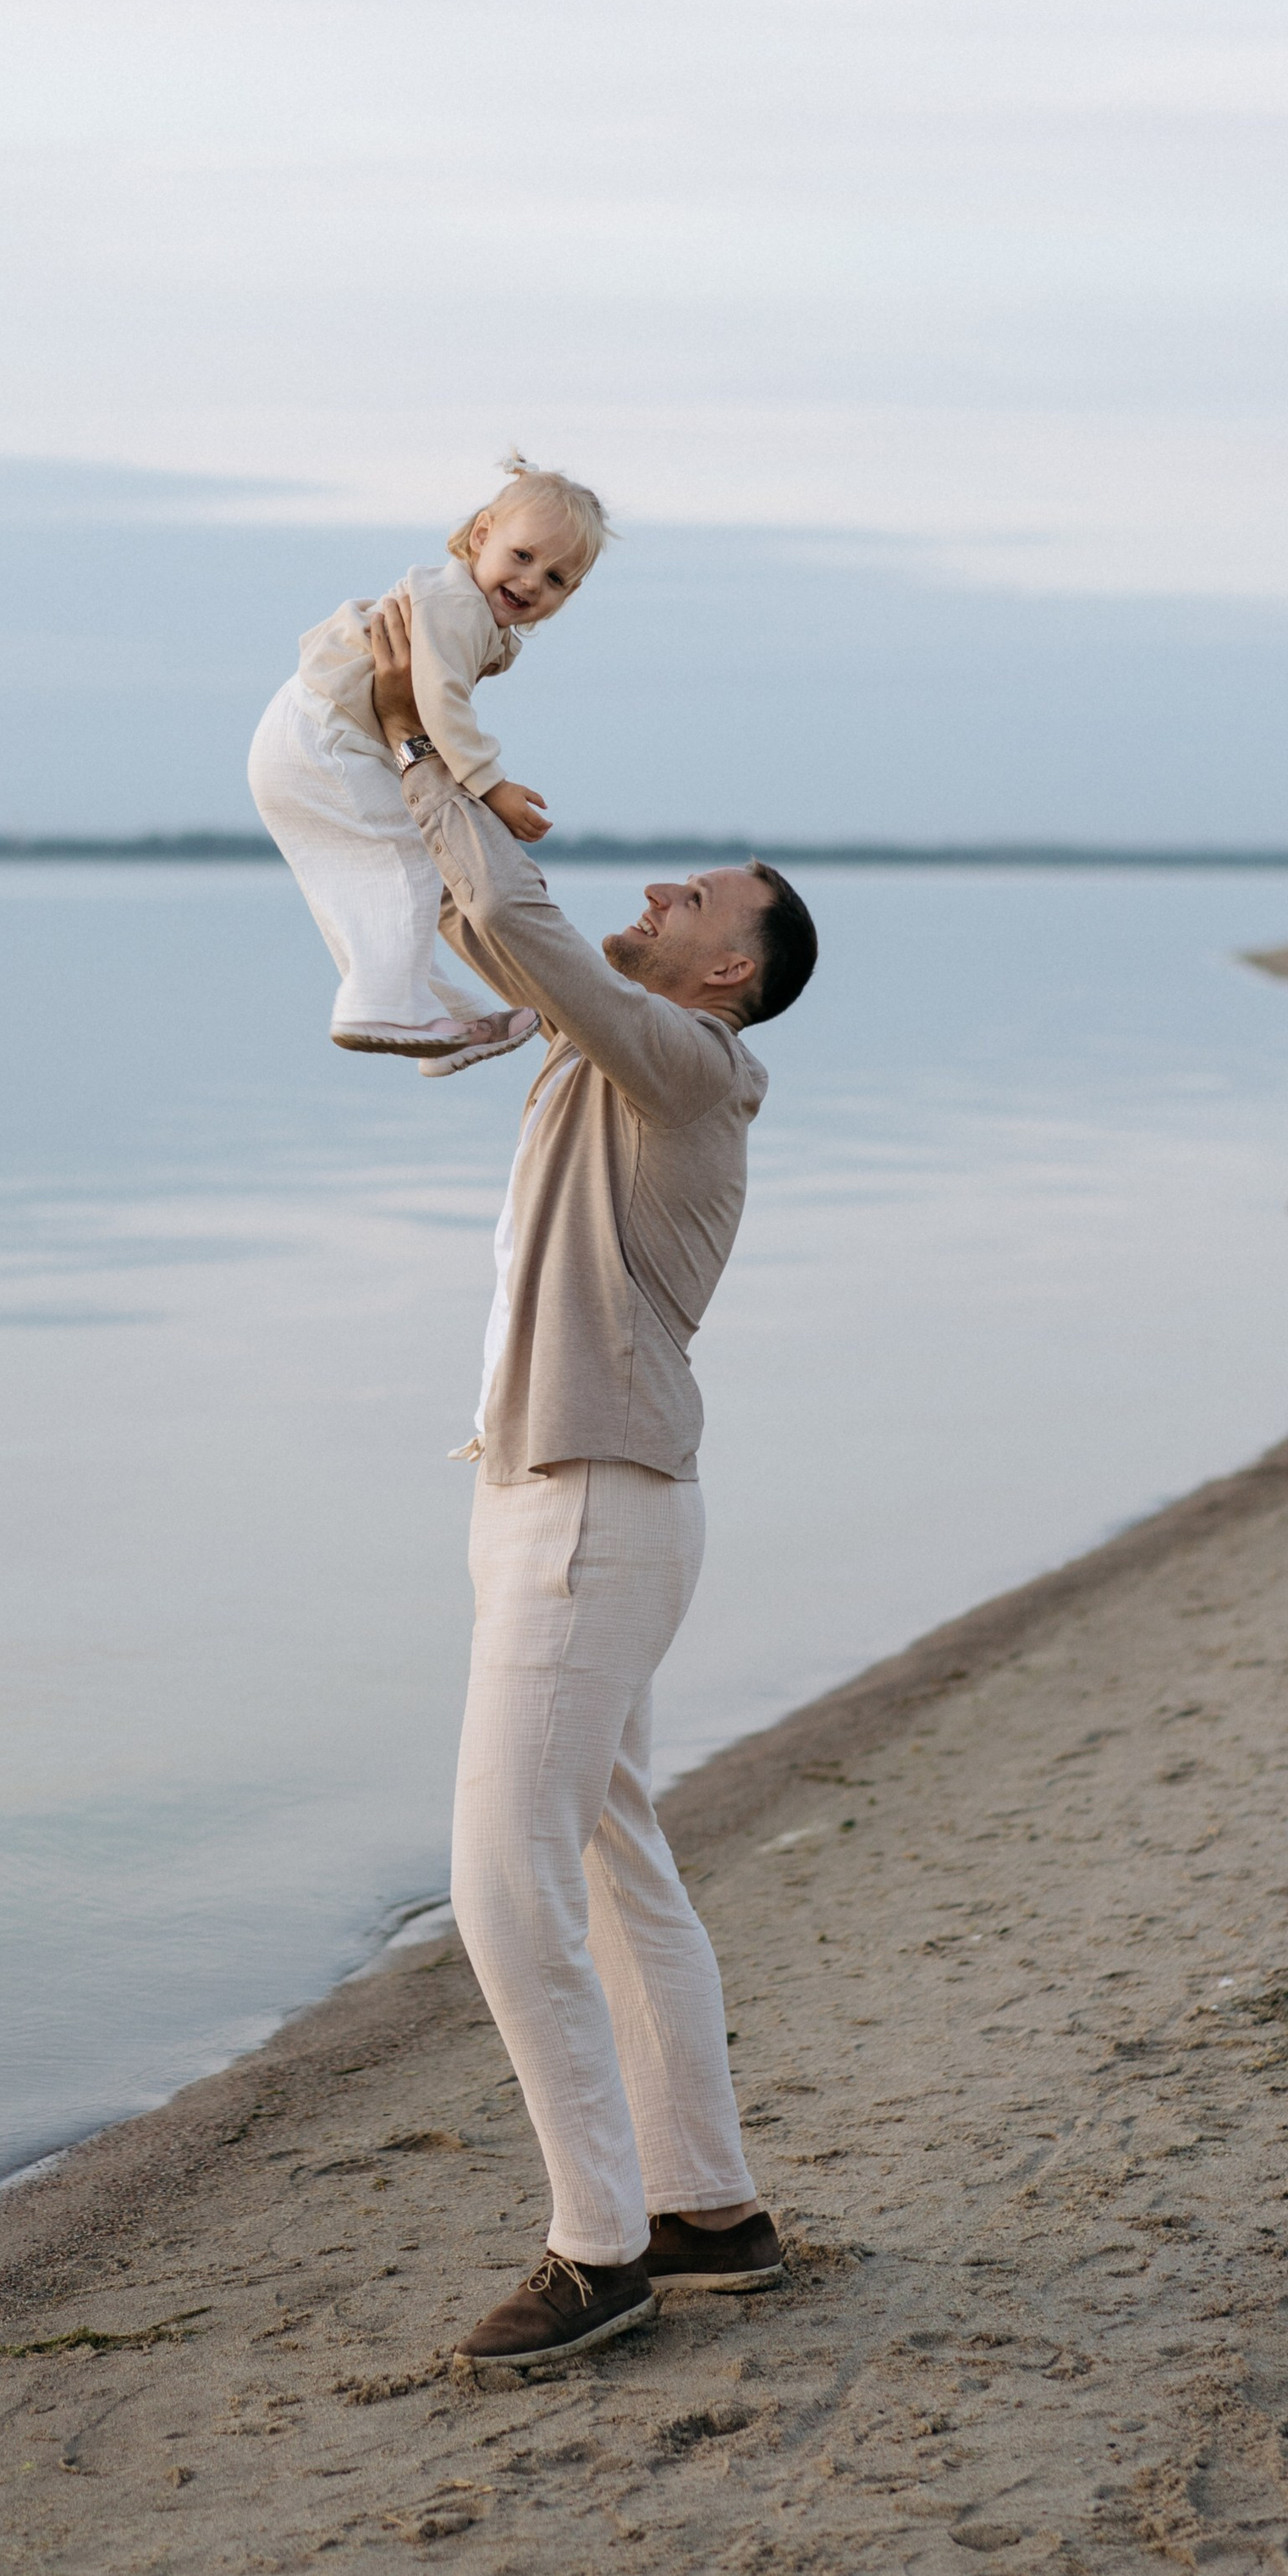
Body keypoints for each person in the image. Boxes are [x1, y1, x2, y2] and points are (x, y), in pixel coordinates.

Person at [365, 591, 819, 2377]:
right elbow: (482, 930)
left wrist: (426, 737)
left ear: (727, 976)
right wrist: (395, 753)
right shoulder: (613, 1043)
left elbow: (510, 916)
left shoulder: (690, 1069)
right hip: (554, 1499)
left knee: (503, 1885)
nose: (660, 893)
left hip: (592, 1509)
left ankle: (595, 2249)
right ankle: (707, 2212)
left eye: (694, 901)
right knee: (617, 1869)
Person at [247, 456, 612, 1077]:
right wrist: (491, 786)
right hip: (326, 736)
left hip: (300, 736)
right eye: (522, 556)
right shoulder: (457, 604)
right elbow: (439, 703)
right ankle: (380, 1007)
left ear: (568, 595)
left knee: (369, 885)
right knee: (410, 861)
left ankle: (444, 1025)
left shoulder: (467, 611)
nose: (531, 582)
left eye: (554, 578)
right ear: (482, 536)